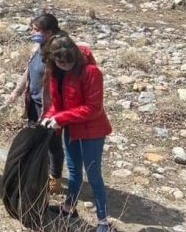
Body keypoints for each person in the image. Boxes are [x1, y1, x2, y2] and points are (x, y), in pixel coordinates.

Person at [40, 33, 112, 232]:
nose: (65, 66)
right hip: (71, 129)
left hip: (92, 131)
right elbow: (59, 103)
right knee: (73, 171)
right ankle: (69, 207)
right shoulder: (56, 72)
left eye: (68, 63)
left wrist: (60, 119)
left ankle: (103, 220)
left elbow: (93, 108)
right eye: (61, 63)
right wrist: (50, 116)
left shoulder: (91, 72)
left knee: (93, 174)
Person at [6, 13, 64, 194]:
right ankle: (36, 170)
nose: (33, 32)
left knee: (53, 143)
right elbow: (29, 71)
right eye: (32, 28)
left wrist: (56, 111)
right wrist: (17, 91)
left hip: (49, 107)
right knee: (34, 137)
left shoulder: (56, 53)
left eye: (36, 29)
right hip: (33, 102)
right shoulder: (38, 48)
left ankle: (55, 178)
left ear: (49, 32)